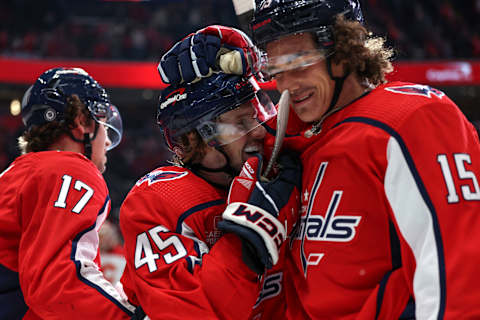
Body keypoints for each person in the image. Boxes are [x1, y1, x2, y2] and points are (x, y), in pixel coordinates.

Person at [157, 0, 480, 318]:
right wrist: (205, 72)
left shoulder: (412, 118)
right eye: (277, 71)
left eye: (299, 62)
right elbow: (214, 147)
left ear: (343, 50)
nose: (287, 85)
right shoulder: (291, 133)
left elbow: (458, 265)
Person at [119, 72, 301, 320]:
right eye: (241, 123)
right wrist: (248, 238)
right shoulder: (161, 196)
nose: (259, 132)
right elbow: (187, 312)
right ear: (194, 138)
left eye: (257, 116)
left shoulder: (279, 172)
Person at [0, 67, 135, 319]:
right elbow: (58, 283)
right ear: (82, 122)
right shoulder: (71, 170)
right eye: (104, 122)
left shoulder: (18, 172)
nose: (107, 140)